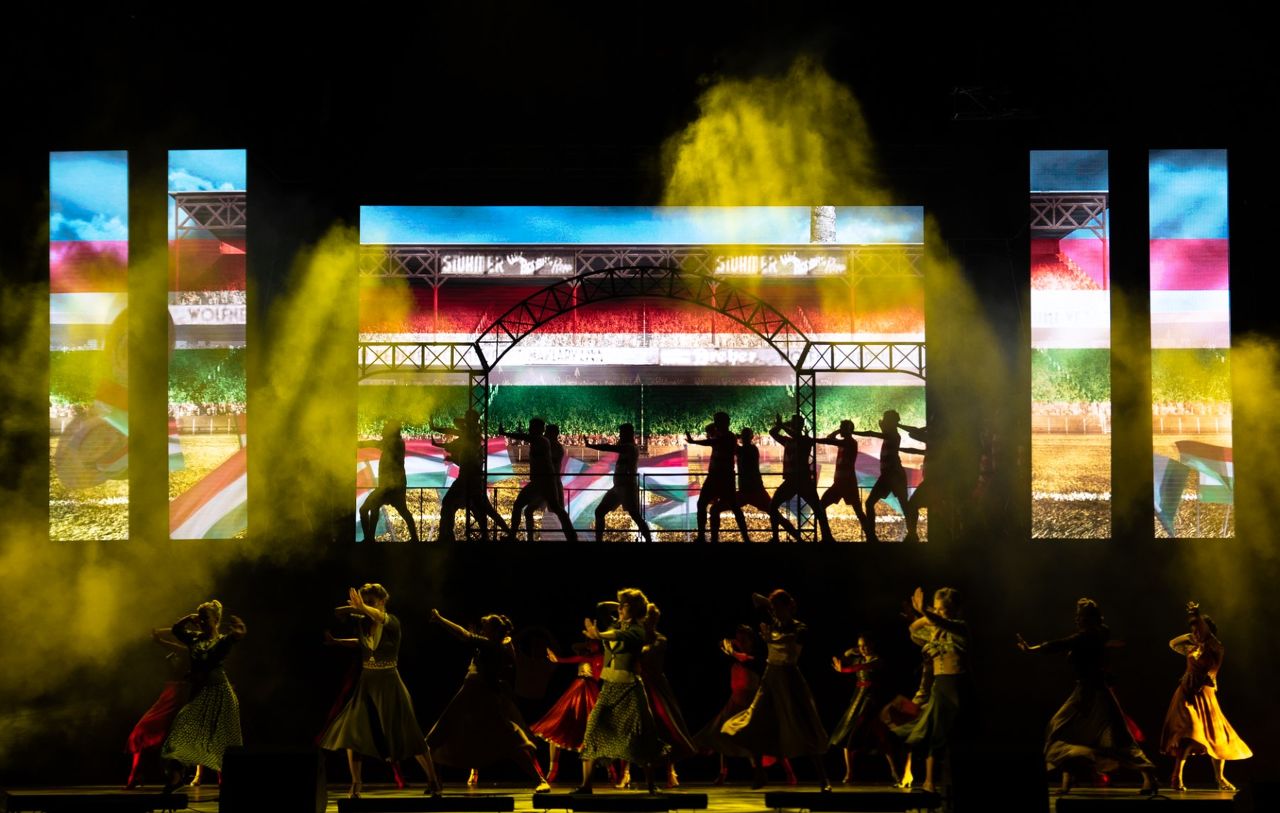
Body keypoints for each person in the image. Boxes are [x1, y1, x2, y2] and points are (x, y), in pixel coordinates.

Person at [1016, 598, 1157, 794]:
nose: (1076, 620)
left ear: (1090, 619)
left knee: (1115, 737)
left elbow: (1060, 644)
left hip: (1095, 693)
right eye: (1077, 616)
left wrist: (1032, 649)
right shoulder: (1095, 635)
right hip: (1084, 692)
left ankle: (1148, 776)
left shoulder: (1088, 636)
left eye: (1080, 616)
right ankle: (1067, 780)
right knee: (1061, 731)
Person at [319, 585, 440, 798]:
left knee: (409, 735)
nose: (366, 606)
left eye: (371, 602)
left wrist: (361, 607)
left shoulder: (392, 622)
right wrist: (338, 640)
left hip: (389, 682)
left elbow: (377, 616)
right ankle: (356, 783)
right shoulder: (363, 622)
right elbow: (358, 638)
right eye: (364, 601)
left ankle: (433, 780)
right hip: (367, 682)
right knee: (352, 732)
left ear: (383, 602)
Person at [426, 609, 550, 791]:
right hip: (471, 694)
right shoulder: (492, 645)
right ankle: (436, 782)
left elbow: (464, 635)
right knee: (441, 735)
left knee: (509, 741)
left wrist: (440, 619)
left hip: (480, 696)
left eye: (485, 627)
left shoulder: (492, 646)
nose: (482, 630)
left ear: (493, 631)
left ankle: (540, 780)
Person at [721, 590, 831, 790]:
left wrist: (771, 636)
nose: (776, 612)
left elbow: (791, 640)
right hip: (770, 677)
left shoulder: (799, 627)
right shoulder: (772, 625)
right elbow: (754, 597)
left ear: (789, 607)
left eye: (779, 608)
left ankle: (823, 779)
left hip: (789, 678)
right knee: (755, 720)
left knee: (805, 724)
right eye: (774, 609)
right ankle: (759, 773)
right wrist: (768, 605)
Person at [576, 589, 668, 794]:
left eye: (624, 605)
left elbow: (620, 636)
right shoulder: (616, 623)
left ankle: (651, 785)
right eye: (619, 605)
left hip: (630, 688)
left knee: (641, 735)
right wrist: (622, 604)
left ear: (634, 609)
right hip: (609, 687)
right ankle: (586, 786)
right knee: (592, 730)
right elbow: (602, 607)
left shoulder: (638, 630)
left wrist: (599, 634)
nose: (618, 608)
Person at [1161, 601, 1251, 792]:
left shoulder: (1216, 648)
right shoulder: (1192, 648)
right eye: (1193, 630)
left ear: (1208, 630)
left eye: (1198, 629)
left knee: (1217, 737)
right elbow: (1173, 643)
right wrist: (1192, 635)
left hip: (1206, 695)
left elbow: (1206, 637)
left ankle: (1220, 778)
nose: (1196, 633)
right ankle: (1177, 777)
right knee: (1188, 734)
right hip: (1186, 694)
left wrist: (1197, 616)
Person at [159, 600, 246, 792]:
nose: (202, 622)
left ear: (216, 620)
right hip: (199, 694)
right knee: (179, 732)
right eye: (201, 618)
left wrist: (237, 633)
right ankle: (176, 778)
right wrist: (188, 618)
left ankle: (233, 784)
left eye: (206, 618)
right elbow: (176, 630)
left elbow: (231, 640)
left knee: (224, 743)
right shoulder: (194, 638)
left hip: (220, 695)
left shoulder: (221, 641)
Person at [694, 625, 798, 786]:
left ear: (751, 641)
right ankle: (723, 772)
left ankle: (789, 773)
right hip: (735, 701)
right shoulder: (735, 656)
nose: (741, 642)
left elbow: (746, 660)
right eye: (739, 639)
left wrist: (734, 652)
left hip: (751, 703)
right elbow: (721, 644)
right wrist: (732, 643)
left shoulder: (755, 659)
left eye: (744, 640)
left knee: (766, 739)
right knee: (722, 735)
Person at [904, 587, 972, 793]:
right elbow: (913, 629)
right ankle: (929, 781)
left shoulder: (960, 627)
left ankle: (953, 780)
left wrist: (926, 611)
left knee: (956, 734)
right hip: (940, 685)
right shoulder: (935, 629)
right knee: (935, 733)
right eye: (939, 608)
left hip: (957, 685)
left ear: (955, 609)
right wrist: (927, 614)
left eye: (945, 609)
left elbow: (943, 622)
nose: (941, 612)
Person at [124, 628, 192, 789]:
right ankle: (136, 775)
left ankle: (139, 776)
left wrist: (160, 640)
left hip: (180, 694)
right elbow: (173, 631)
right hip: (169, 693)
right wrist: (162, 632)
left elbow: (175, 642)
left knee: (171, 736)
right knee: (141, 731)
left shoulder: (189, 651)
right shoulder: (179, 650)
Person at [531, 638, 605, 782]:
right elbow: (575, 649)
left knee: (596, 729)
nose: (588, 645)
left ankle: (610, 769)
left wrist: (559, 659)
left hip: (589, 689)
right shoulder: (586, 654)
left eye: (591, 642)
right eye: (588, 643)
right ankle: (553, 768)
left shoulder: (599, 657)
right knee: (558, 723)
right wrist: (585, 646)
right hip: (577, 689)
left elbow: (578, 658)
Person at [432, 410, 509, 541]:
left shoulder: (470, 433)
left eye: (467, 417)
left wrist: (436, 430)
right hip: (472, 480)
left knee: (449, 504)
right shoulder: (473, 435)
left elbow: (454, 431)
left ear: (470, 419)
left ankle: (447, 536)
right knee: (484, 510)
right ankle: (502, 535)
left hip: (466, 480)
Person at [829, 635, 896, 784]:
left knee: (879, 736)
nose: (863, 648)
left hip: (871, 699)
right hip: (857, 699)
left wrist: (844, 670)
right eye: (860, 646)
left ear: (873, 644)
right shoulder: (859, 658)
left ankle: (895, 770)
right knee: (847, 734)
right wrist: (850, 651)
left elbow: (861, 668)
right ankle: (849, 773)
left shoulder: (877, 660)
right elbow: (843, 659)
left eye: (865, 645)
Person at [502, 418, 578, 542]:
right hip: (546, 481)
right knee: (556, 509)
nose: (529, 429)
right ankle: (572, 537)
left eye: (531, 427)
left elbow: (526, 437)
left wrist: (505, 433)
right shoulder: (544, 442)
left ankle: (514, 536)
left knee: (520, 505)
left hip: (542, 481)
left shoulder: (542, 441)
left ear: (538, 429)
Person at [854, 411, 925, 543]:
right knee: (903, 505)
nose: (883, 422)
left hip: (894, 475)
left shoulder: (892, 435)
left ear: (890, 422)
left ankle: (874, 536)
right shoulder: (892, 434)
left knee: (902, 505)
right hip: (890, 475)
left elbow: (872, 433)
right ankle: (911, 535)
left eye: (886, 420)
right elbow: (880, 430)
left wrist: (853, 432)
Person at [769, 415, 836, 544]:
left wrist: (782, 425)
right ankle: (826, 538)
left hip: (799, 480)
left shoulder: (805, 439)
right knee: (817, 509)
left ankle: (781, 538)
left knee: (774, 507)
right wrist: (783, 424)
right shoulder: (790, 440)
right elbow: (772, 432)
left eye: (793, 423)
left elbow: (790, 435)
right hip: (799, 480)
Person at [587, 423, 653, 543]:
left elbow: (609, 447)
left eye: (622, 433)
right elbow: (612, 447)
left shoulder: (630, 447)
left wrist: (591, 446)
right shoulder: (627, 448)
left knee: (635, 516)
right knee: (600, 512)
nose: (620, 435)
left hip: (627, 487)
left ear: (628, 434)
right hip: (618, 487)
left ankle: (649, 540)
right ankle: (598, 540)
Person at [687, 413, 748, 543]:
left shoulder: (728, 437)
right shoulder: (726, 436)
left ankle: (703, 537)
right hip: (722, 477)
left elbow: (712, 441)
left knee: (705, 504)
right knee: (732, 507)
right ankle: (744, 538)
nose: (715, 424)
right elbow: (712, 439)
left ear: (722, 423)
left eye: (717, 421)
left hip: (720, 477)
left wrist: (694, 441)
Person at [359, 420, 420, 543]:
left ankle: (369, 539)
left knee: (365, 509)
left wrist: (357, 444)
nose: (382, 432)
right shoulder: (398, 442)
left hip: (389, 487)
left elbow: (375, 443)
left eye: (385, 430)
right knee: (402, 511)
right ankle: (414, 539)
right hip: (395, 485)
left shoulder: (393, 443)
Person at [816, 420, 872, 540]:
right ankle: (871, 537)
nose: (840, 429)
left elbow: (829, 440)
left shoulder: (849, 443)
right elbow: (830, 438)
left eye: (842, 427)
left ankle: (827, 536)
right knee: (858, 511)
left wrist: (815, 440)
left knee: (822, 506)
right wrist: (840, 430)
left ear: (848, 430)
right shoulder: (846, 443)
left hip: (845, 483)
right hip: (844, 483)